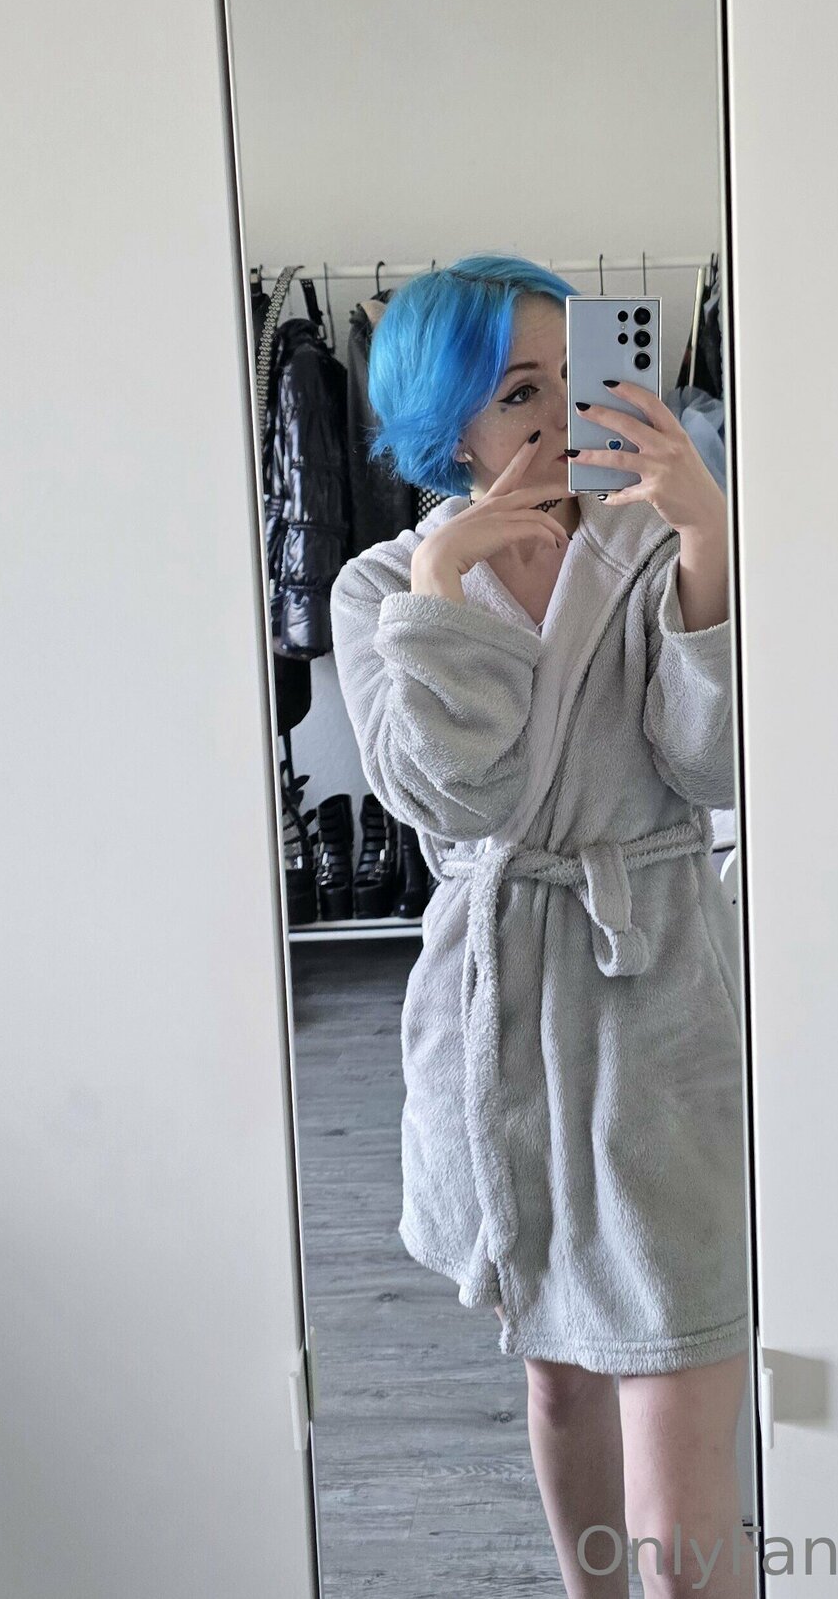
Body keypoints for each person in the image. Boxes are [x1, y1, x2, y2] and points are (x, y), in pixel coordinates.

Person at [329, 255, 754, 1598]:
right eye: (521, 391)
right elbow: (460, 798)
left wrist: (707, 541)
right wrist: (443, 586)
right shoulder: (380, 586)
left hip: (654, 986)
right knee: (562, 1380)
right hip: (503, 1007)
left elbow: (713, 764)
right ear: (446, 424)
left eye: (579, 377)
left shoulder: (649, 541)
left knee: (677, 1374)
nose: (562, 414)